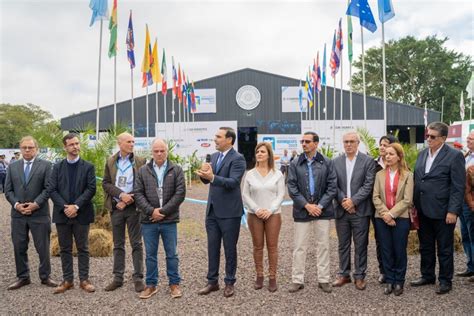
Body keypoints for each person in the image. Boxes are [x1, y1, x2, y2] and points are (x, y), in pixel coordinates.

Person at [411, 122, 465, 294]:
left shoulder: (454, 156)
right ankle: (427, 275)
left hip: (443, 211)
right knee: (425, 246)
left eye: (432, 136)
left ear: (443, 138)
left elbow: (458, 186)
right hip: (422, 209)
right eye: (427, 135)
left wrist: (453, 210)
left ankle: (445, 280)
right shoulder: (422, 154)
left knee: (444, 247)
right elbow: (418, 179)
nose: (428, 139)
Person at [196, 127, 246, 298]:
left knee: (229, 249)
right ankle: (212, 282)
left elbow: (233, 182)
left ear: (230, 140)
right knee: (212, 247)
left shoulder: (238, 158)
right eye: (215, 136)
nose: (215, 139)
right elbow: (207, 181)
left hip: (230, 212)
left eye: (218, 137)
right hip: (212, 211)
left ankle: (230, 282)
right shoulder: (214, 156)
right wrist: (203, 175)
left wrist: (212, 178)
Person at [134, 138, 186, 299]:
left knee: (172, 254)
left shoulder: (176, 169)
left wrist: (163, 211)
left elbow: (180, 193)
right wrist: (152, 212)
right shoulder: (143, 170)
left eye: (162, 150)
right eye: (156, 151)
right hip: (149, 221)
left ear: (167, 151)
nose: (159, 153)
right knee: (150, 255)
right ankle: (151, 285)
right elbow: (138, 193)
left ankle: (174, 284)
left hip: (169, 220)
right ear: (152, 152)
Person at [4, 136, 57, 290]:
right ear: (20, 149)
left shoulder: (46, 166)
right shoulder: (13, 167)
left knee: (43, 247)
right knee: (19, 246)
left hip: (39, 213)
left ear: (36, 149)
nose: (27, 150)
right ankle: (23, 277)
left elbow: (48, 188)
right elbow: (8, 190)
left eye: (30, 147)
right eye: (24, 147)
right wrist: (16, 205)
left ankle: (45, 276)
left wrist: (35, 204)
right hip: (18, 215)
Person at [287, 131, 337, 293]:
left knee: (323, 245)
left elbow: (332, 187)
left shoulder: (327, 163)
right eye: (302, 141)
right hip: (302, 212)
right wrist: (307, 206)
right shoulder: (295, 163)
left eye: (307, 141)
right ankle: (297, 279)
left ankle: (323, 279)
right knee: (299, 247)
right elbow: (292, 188)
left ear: (316, 143)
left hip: (323, 212)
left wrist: (320, 206)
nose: (304, 144)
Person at [48, 133, 96, 294]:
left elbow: (91, 189)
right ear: (65, 147)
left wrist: (75, 206)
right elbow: (52, 189)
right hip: (62, 214)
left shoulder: (88, 166)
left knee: (83, 247)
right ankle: (68, 280)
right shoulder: (57, 167)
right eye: (71, 144)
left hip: (82, 214)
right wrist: (65, 207)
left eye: (77, 143)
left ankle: (84, 280)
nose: (75, 147)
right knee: (65, 248)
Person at [102, 132, 146, 292]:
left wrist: (129, 198)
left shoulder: (141, 161)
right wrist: (120, 196)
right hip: (117, 208)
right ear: (119, 143)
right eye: (128, 141)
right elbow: (106, 183)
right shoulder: (111, 161)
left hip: (134, 208)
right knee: (118, 244)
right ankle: (118, 277)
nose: (132, 144)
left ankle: (138, 277)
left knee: (136, 243)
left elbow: (143, 185)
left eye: (133, 141)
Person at [332, 131, 376, 291]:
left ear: (358, 143)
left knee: (361, 245)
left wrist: (353, 201)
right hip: (342, 210)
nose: (348, 144)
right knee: (343, 244)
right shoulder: (335, 162)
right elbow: (332, 185)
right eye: (346, 142)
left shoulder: (368, 161)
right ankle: (344, 274)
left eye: (352, 141)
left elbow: (368, 185)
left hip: (360, 210)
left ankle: (359, 276)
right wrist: (344, 200)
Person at [242, 142, 285, 292]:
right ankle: (259, 275)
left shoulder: (277, 174)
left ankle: (272, 277)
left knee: (272, 247)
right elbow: (245, 195)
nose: (259, 154)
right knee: (257, 246)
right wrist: (257, 208)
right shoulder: (250, 174)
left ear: (269, 155)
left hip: (273, 215)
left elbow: (280, 195)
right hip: (255, 215)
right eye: (257, 152)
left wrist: (270, 210)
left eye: (263, 152)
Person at [372, 143, 414, 296]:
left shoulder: (408, 175)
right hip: (381, 218)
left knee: (399, 250)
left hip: (400, 218)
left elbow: (407, 199)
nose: (387, 156)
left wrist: (391, 214)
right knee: (386, 250)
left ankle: (399, 281)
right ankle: (389, 280)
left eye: (391, 154)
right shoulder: (379, 175)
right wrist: (385, 214)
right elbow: (375, 197)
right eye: (386, 154)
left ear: (399, 156)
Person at [373, 135, 399, 283]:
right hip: (378, 211)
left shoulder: (402, 167)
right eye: (381, 144)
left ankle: (396, 271)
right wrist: (383, 212)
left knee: (396, 242)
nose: (382, 147)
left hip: (397, 212)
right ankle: (384, 271)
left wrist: (392, 213)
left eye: (386, 144)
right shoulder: (373, 164)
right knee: (380, 241)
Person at [456, 131, 474, 279]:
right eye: (467, 137)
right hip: (461, 201)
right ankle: (470, 266)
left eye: (471, 138)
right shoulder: (467, 155)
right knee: (465, 235)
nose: (467, 140)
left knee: (472, 235)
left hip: (471, 203)